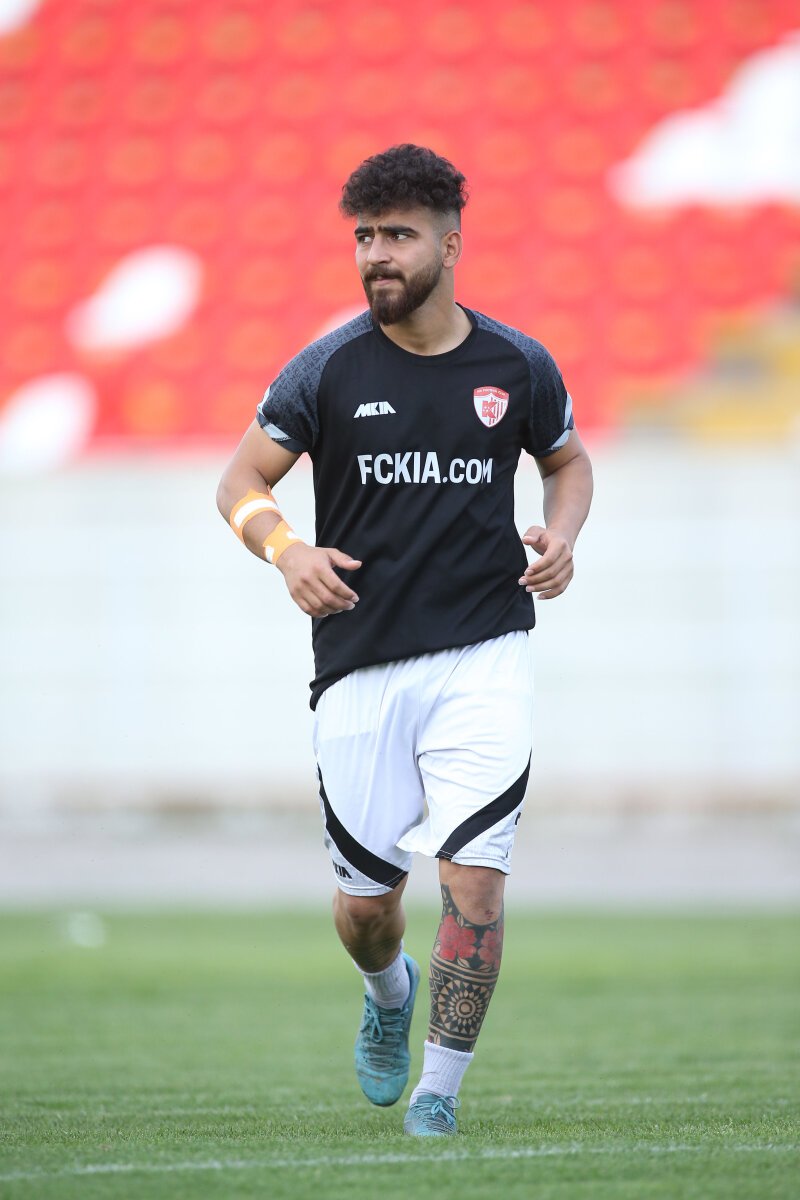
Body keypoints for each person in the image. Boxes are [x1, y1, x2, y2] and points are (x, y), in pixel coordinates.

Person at [216, 144, 593, 1138]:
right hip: (359, 663)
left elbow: (567, 462)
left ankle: (439, 1094)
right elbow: (239, 482)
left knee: (474, 881)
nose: (376, 255)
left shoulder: (515, 364)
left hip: (484, 654)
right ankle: (388, 991)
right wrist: (286, 549)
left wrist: (562, 535)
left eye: (398, 235)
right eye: (364, 237)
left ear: (450, 245)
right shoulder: (326, 368)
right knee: (365, 911)